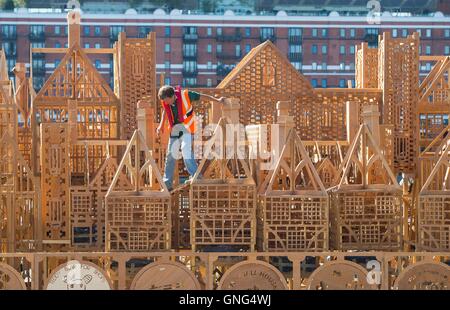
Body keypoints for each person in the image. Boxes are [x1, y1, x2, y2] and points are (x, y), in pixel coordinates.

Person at [157, 85, 226, 191]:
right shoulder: (167, 102)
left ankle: (196, 176)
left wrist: (217, 100)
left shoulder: (186, 95)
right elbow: (165, 111)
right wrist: (161, 125)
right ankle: (167, 184)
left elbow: (203, 96)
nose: (166, 103)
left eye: (166, 100)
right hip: (175, 129)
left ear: (172, 96)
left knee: (186, 150)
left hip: (187, 128)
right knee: (170, 155)